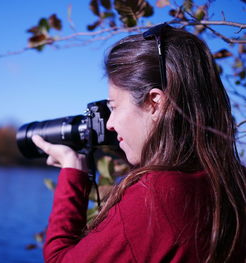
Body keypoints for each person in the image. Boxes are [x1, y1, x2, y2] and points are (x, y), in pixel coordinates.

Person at [32, 24, 246, 263]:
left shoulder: (155, 196)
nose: (110, 123)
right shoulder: (235, 183)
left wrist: (72, 171)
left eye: (113, 107)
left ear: (154, 102)